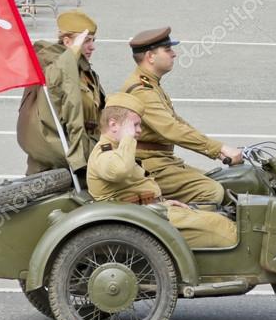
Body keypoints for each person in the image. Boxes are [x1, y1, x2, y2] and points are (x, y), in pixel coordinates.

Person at [87, 93, 237, 249]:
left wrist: (161, 203)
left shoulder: (118, 150)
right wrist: (127, 137)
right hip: (141, 222)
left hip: (149, 214)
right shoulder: (103, 154)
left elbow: (132, 189)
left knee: (220, 219)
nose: (139, 131)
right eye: (135, 125)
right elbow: (120, 170)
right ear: (113, 125)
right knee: (223, 229)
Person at [121, 27, 243, 204]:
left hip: (162, 160)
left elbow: (177, 122)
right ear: (150, 57)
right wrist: (218, 149)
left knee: (225, 181)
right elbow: (171, 129)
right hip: (151, 164)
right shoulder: (141, 90)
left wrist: (218, 148)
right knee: (212, 192)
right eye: (168, 49)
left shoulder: (150, 84)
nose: (174, 54)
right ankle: (195, 229)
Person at [17, 10, 106, 175]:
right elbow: (56, 85)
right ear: (67, 41)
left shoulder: (83, 70)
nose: (92, 46)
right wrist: (73, 52)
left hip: (84, 156)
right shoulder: (49, 65)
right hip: (56, 168)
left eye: (93, 40)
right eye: (86, 41)